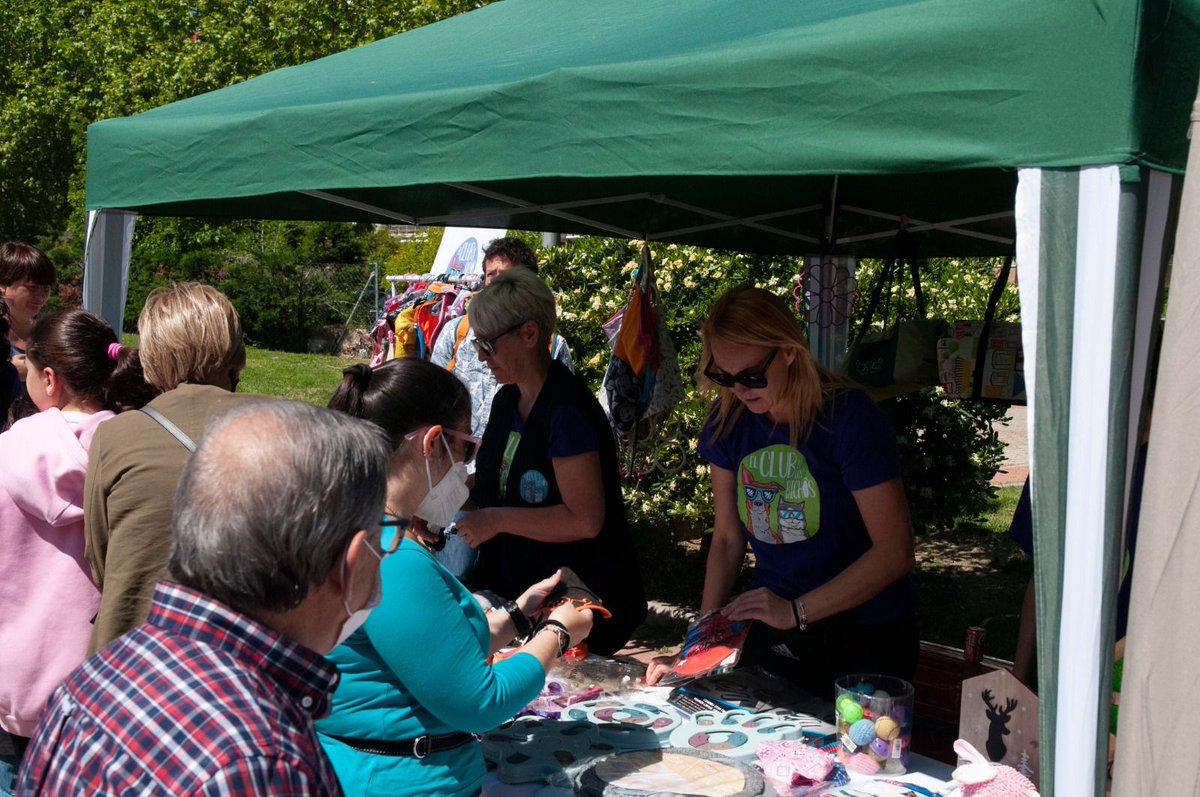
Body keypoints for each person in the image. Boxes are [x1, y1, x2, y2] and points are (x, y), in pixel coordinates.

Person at [16, 400, 392, 796]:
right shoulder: (264, 762)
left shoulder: (96, 675)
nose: (385, 555)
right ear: (349, 561)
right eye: (384, 538)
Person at [317, 358, 594, 797]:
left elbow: (425, 652)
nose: (467, 466)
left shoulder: (350, 532)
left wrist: (520, 617)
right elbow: (480, 703)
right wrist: (560, 633)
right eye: (467, 447)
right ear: (431, 443)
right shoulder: (391, 558)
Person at [645, 286, 918, 698]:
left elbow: (895, 552)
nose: (738, 388)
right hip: (776, 622)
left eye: (751, 376)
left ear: (789, 351)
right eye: (723, 375)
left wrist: (796, 611)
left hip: (864, 632)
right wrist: (696, 647)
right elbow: (726, 539)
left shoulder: (849, 419)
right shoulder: (728, 417)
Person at [455, 268, 647, 656]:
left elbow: (585, 519)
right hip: (519, 589)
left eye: (487, 344)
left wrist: (494, 520)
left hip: (578, 600)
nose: (479, 355)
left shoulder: (566, 411)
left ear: (529, 334)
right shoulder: (507, 400)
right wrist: (439, 501)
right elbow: (494, 482)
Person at [0, 310, 150, 766]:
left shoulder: (8, 453)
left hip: (11, 689)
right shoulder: (136, 455)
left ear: (50, 378)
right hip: (105, 691)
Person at [84, 282, 253, 652]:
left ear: (152, 359)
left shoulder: (115, 436)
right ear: (235, 351)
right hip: (246, 658)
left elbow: (101, 560)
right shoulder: (294, 426)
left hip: (132, 658)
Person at [430, 236, 573, 439]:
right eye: (491, 275)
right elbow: (434, 397)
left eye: (505, 276)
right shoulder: (456, 332)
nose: (483, 356)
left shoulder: (554, 347)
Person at [0, 242, 55, 383]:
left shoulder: (51, 335)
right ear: (3, 285)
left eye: (46, 289)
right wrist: (9, 372)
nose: (41, 297)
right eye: (32, 287)